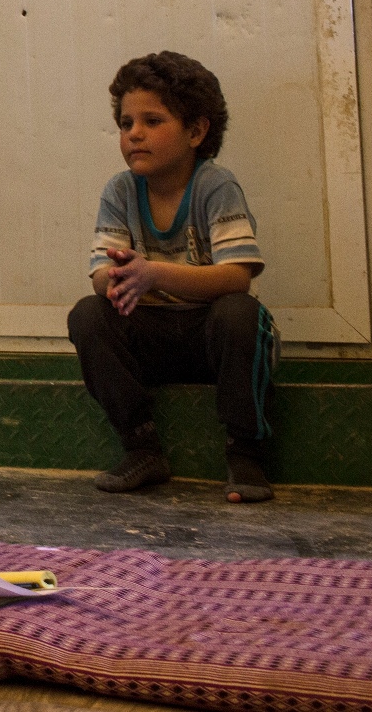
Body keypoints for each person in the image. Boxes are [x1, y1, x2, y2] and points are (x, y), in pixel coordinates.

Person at [67, 51, 278, 504]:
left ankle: (247, 452)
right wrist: (116, 280)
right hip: (154, 341)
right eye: (126, 124)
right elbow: (99, 275)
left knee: (242, 315)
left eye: (152, 121)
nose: (134, 134)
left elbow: (237, 276)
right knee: (88, 316)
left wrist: (152, 273)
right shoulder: (121, 190)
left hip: (210, 338)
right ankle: (141, 447)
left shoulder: (214, 186)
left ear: (196, 132)